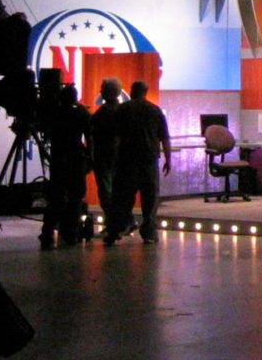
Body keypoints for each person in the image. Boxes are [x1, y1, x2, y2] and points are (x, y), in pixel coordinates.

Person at [105, 80, 171, 245]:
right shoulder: (155, 110)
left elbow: (115, 137)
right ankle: (149, 233)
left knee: (122, 198)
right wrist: (168, 159)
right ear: (145, 92)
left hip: (126, 159)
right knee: (150, 199)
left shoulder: (122, 110)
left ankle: (115, 231)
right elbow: (164, 137)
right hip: (148, 160)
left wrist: (112, 158)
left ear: (132, 91)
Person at [40, 84, 91, 250]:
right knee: (75, 198)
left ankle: (47, 233)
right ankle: (71, 234)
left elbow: (45, 130)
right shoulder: (81, 114)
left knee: (55, 197)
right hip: (76, 159)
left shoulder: (54, 113)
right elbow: (89, 137)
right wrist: (90, 157)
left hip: (58, 159)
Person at [90, 77, 123, 231]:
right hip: (119, 156)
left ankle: (112, 224)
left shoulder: (104, 112)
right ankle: (122, 222)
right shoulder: (123, 110)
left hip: (104, 156)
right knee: (117, 192)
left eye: (102, 89)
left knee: (106, 192)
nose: (100, 91)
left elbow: (91, 127)